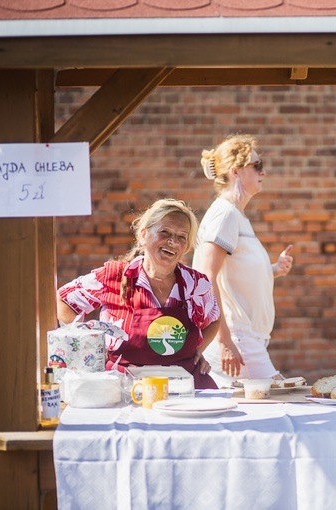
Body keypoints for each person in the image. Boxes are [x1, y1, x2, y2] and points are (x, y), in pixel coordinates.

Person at [57, 198, 221, 389]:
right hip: (126, 390)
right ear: (143, 235)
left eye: (182, 237)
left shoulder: (196, 284)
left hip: (185, 389)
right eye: (164, 232)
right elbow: (64, 299)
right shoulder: (114, 277)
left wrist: (198, 351)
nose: (173, 242)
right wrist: (87, 347)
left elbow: (215, 319)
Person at [193, 134, 294, 387]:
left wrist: (273, 270)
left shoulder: (236, 216)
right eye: (257, 165)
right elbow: (206, 277)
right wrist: (224, 341)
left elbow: (235, 274)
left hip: (246, 335)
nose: (264, 171)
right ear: (236, 171)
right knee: (284, 398)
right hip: (237, 336)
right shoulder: (225, 214)